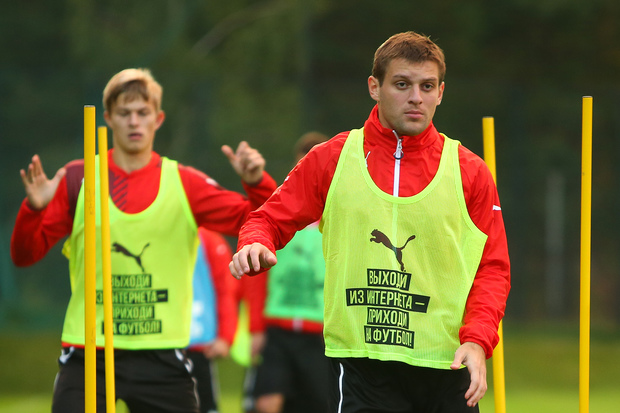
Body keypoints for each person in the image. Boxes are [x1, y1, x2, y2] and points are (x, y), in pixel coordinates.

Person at [229, 31, 511, 412]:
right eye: (402, 84)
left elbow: (492, 268)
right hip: (361, 367)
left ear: (441, 92)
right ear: (374, 87)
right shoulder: (331, 158)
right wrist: (256, 240)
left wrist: (477, 339)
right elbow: (268, 218)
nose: (416, 97)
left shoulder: (469, 171)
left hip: (446, 364)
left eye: (427, 86)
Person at [10, 68, 277, 413]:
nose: (134, 122)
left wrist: (256, 182)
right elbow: (25, 255)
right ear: (108, 118)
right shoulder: (78, 178)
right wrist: (33, 208)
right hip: (90, 350)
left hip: (162, 353)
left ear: (158, 118)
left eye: (142, 112)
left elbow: (260, 219)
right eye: (124, 113)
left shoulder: (185, 182)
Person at [241, 132, 330, 413]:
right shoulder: (281, 217)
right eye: (305, 166)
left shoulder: (338, 219)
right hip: (278, 330)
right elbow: (258, 278)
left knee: (318, 404)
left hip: (320, 335)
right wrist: (256, 328)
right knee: (267, 402)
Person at [187, 227, 239, 413]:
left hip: (200, 346)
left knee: (204, 405)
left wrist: (225, 336)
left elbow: (226, 290)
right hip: (161, 345)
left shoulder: (209, 240)